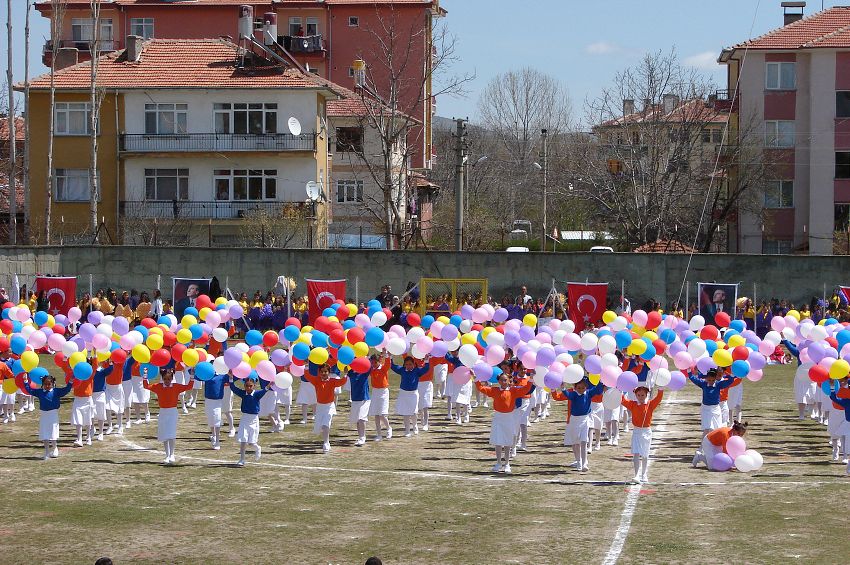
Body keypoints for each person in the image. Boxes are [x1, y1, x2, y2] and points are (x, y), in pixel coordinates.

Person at [474, 370, 532, 473]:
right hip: (498, 418)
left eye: (505, 380)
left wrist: (531, 379)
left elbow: (526, 389)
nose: (503, 382)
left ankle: (507, 463)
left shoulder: (513, 391)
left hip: (509, 418)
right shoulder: (495, 390)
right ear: (499, 381)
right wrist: (476, 378)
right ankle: (498, 463)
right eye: (501, 380)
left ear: (509, 381)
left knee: (507, 441)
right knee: (498, 441)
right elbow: (481, 388)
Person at [142, 366, 194, 465]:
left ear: (172, 378)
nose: (167, 381)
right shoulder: (158, 387)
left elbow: (189, 387)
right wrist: (145, 375)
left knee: (171, 433)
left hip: (172, 412)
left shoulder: (176, 386)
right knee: (164, 434)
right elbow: (146, 386)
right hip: (163, 412)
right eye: (165, 379)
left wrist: (192, 375)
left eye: (169, 379)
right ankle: (167, 455)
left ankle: (172, 454)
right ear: (162, 378)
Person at [551, 377, 604, 472]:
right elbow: (567, 395)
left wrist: (601, 381)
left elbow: (597, 390)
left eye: (583, 388)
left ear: (586, 387)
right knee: (575, 443)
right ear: (575, 387)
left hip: (585, 420)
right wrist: (562, 388)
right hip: (574, 420)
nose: (581, 390)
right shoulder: (573, 394)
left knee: (584, 441)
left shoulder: (588, 393)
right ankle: (578, 461)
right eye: (578, 388)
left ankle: (584, 463)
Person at [22, 374, 74, 459]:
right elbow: (30, 390)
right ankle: (46, 452)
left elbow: (66, 390)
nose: (47, 386)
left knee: (53, 432)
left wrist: (71, 381)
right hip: (44, 414)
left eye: (49, 384)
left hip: (53, 414)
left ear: (53, 384)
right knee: (44, 433)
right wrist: (25, 381)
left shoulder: (56, 391)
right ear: (42, 384)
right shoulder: (40, 392)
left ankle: (55, 447)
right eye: (45, 384)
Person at [621, 386, 664, 483]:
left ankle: (644, 474)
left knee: (645, 454)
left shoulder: (650, 404)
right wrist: (621, 390)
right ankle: (636, 475)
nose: (640, 397)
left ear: (646, 395)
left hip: (646, 431)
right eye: (638, 395)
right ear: (635, 395)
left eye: (643, 395)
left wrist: (661, 388)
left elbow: (658, 398)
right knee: (636, 453)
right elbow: (623, 400)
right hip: (636, 431)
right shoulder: (632, 404)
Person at [304, 363, 348, 453]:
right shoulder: (316, 380)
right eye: (322, 372)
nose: (324, 373)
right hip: (320, 407)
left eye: (326, 372)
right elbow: (307, 376)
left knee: (325, 425)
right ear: (319, 372)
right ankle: (325, 440)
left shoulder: (332, 381)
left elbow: (342, 381)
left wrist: (346, 374)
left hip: (329, 407)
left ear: (329, 372)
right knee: (319, 426)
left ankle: (326, 443)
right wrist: (306, 365)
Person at [229, 376, 271, 466]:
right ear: (244, 386)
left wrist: (270, 384)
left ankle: (257, 448)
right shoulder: (243, 393)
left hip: (254, 419)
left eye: (250, 386)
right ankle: (242, 459)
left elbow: (265, 389)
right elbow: (233, 388)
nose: (248, 388)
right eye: (247, 386)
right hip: (245, 419)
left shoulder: (257, 394)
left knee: (252, 442)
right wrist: (231, 378)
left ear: (254, 386)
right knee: (243, 440)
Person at [688, 368, 736, 435]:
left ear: (715, 378)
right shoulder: (703, 384)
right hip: (706, 409)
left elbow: (728, 382)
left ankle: (715, 444)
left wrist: (732, 375)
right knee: (707, 429)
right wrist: (689, 372)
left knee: (717, 428)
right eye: (709, 380)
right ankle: (704, 444)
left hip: (715, 409)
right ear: (706, 378)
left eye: (713, 380)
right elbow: (694, 379)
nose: (711, 382)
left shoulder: (718, 384)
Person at [392, 355, 431, 437]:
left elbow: (426, 369)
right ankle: (407, 430)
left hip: (413, 394)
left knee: (413, 412)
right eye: (406, 364)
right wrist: (390, 357)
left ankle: (415, 426)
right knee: (405, 412)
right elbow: (392, 366)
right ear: (404, 365)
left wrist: (427, 360)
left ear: (414, 364)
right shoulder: (402, 370)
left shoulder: (417, 371)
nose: (408, 366)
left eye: (410, 364)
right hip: (403, 394)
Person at [367, 353, 392, 441]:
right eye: (372, 363)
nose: (373, 364)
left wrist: (387, 356)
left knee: (382, 414)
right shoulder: (371, 369)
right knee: (376, 414)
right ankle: (379, 434)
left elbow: (388, 364)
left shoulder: (383, 368)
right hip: (375, 392)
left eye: (375, 363)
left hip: (383, 392)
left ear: (379, 361)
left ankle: (389, 429)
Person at [347, 361, 372, 447]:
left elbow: (370, 366)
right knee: (357, 419)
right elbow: (345, 369)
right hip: (355, 399)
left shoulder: (364, 372)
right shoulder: (351, 373)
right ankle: (360, 436)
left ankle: (363, 437)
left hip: (364, 399)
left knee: (362, 418)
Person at [828, 381, 850, 475]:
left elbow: (834, 398)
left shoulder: (847, 401)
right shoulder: (847, 401)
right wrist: (832, 387)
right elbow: (834, 398)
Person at [203, 371, 229, 450]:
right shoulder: (207, 375)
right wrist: (193, 372)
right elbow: (197, 377)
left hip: (217, 401)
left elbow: (232, 379)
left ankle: (217, 441)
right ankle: (213, 435)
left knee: (217, 420)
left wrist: (231, 374)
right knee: (210, 418)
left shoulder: (222, 376)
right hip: (208, 400)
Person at [91, 361, 114, 441]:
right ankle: (92, 429)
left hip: (100, 394)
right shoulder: (89, 372)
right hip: (91, 395)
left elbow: (111, 369)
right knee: (91, 414)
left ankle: (100, 433)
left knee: (101, 414)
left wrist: (111, 361)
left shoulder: (102, 371)